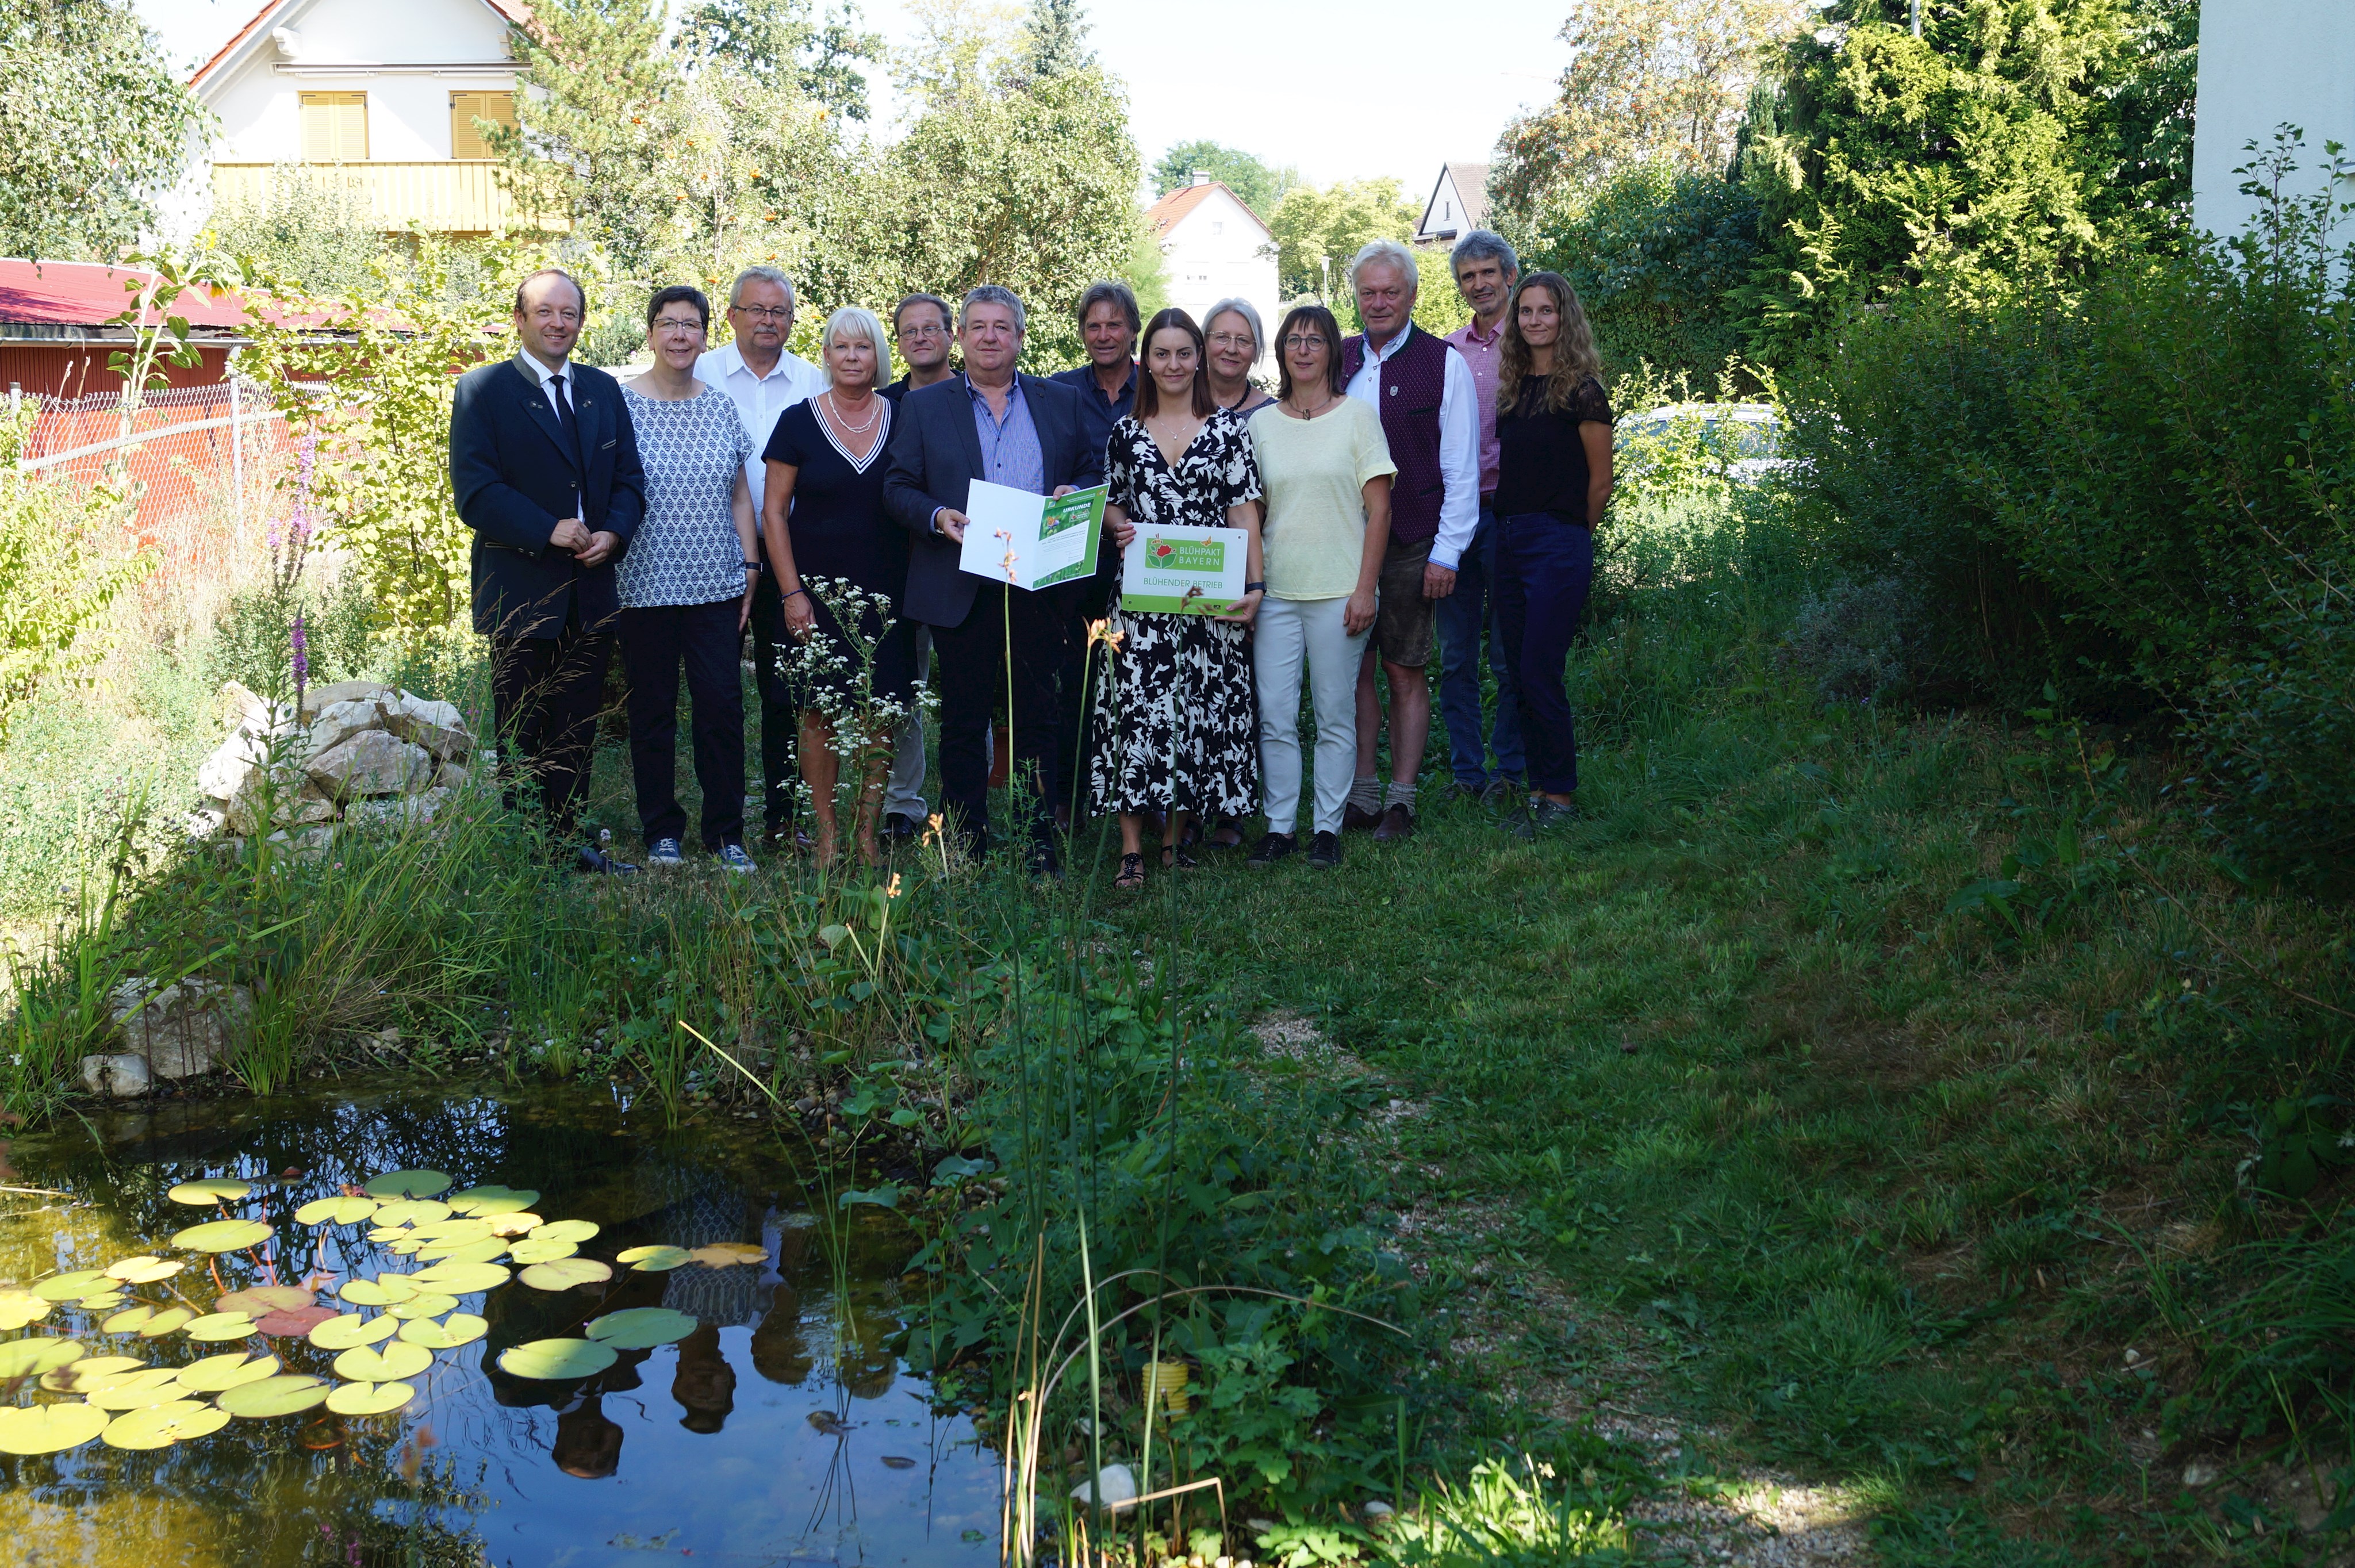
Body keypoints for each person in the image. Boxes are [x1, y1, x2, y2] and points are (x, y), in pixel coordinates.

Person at [881, 285, 1104, 873]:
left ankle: (1038, 840)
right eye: (977, 326)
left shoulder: (1060, 401)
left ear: (1020, 338)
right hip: (963, 581)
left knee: (1038, 714)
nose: (988, 337)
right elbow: (897, 487)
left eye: (1001, 327)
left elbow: (1089, 468)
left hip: (1038, 581)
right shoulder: (926, 407)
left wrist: (1074, 492)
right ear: (960, 337)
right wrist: (937, 516)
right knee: (962, 719)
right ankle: (967, 842)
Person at [449, 267, 645, 875]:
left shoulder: (601, 390)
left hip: (590, 588)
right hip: (521, 588)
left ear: (582, 322)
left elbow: (630, 481)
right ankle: (525, 851)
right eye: (545, 312)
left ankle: (566, 846)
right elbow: (476, 493)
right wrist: (547, 528)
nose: (559, 323)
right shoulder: (483, 391)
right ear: (520, 319)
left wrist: (613, 532)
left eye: (570, 314)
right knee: (522, 728)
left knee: (576, 728)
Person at [1089, 308, 1265, 890]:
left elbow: (1244, 511)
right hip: (1140, 602)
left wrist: (1255, 587)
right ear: (1147, 361)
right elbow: (1111, 500)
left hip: (1206, 601)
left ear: (1199, 358)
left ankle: (1176, 838)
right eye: (1161, 354)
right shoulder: (1125, 432)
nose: (1173, 364)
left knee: (1194, 711)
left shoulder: (1227, 430)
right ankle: (1132, 846)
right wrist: (1120, 525)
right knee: (1134, 715)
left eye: (1183, 353)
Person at [760, 306, 915, 868]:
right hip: (815, 595)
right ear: (825, 355)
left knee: (881, 714)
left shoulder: (903, 418)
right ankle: (826, 837)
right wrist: (791, 593)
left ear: (879, 356)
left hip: (886, 595)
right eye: (841, 347)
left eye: (864, 347)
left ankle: (866, 835)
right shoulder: (797, 421)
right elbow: (774, 514)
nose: (853, 357)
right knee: (816, 714)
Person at [1338, 239, 1480, 843]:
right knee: (1355, 670)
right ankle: (1361, 792)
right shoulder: (1337, 357)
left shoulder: (1442, 362)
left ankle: (1401, 799)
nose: (1378, 302)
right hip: (1341, 543)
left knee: (1403, 669)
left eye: (1389, 292)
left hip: (1413, 542)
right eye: (1367, 292)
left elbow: (1462, 468)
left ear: (1414, 295)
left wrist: (1447, 552)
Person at [616, 285, 761, 872]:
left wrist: (751, 569)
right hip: (642, 584)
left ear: (706, 335)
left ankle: (726, 833)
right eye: (669, 324)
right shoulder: (619, 405)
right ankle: (661, 832)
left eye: (691, 325)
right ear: (650, 334)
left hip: (715, 586)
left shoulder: (720, 404)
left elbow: (740, 496)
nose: (680, 335)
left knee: (721, 709)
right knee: (651, 712)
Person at [1245, 304, 1393, 872]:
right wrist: (1254, 587)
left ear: (1333, 351)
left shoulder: (1357, 417)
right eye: (1293, 340)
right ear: (1281, 352)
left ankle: (1326, 827)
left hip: (1340, 592)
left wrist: (1365, 589)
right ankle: (1280, 826)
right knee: (1277, 714)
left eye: (1315, 340)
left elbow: (1379, 511)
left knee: (1334, 714)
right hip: (1278, 593)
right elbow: (1251, 515)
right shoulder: (1260, 425)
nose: (1303, 349)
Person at [697, 266, 826, 852]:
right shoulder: (700, 373)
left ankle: (783, 817)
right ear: (731, 316)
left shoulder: (812, 381)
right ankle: (719, 822)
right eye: (757, 310)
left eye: (780, 312)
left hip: (785, 555)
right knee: (716, 693)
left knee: (786, 694)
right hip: (705, 550)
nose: (769, 321)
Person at [1492, 271, 1614, 836]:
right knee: (1516, 672)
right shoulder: (1514, 389)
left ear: (1564, 318)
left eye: (1546, 311)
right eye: (1525, 312)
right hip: (1508, 540)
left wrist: (1569, 536)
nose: (1535, 321)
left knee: (1541, 670)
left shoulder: (1582, 390)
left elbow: (1600, 482)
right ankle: (1538, 791)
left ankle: (1560, 799)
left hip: (1557, 543)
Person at [1049, 281, 1142, 829]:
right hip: (1080, 558)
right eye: (1094, 325)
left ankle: (1142, 795)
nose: (1104, 335)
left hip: (1148, 555)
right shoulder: (1059, 392)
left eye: (1114, 324)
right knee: (1076, 678)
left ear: (1133, 328)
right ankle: (1069, 797)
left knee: (1137, 676)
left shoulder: (1160, 384)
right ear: (1082, 332)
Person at [1439, 231, 1527, 803]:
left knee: (1509, 652)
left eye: (1488, 273)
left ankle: (1510, 770)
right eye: (1469, 276)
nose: (1479, 284)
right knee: (1455, 655)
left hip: (1513, 514)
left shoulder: (1532, 343)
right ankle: (1467, 773)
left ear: (1509, 276)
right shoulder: (1446, 352)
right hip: (1456, 520)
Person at [876, 292, 957, 842]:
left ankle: (969, 793)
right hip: (899, 568)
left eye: (933, 328)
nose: (922, 338)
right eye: (911, 331)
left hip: (966, 569)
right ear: (899, 341)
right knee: (904, 686)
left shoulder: (978, 396)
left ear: (951, 335)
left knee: (967, 688)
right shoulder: (883, 404)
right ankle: (904, 803)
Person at [1204, 298, 1275, 416]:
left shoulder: (1270, 415)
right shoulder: (1178, 402)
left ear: (1256, 352)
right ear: (1204, 343)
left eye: (1243, 341)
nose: (1232, 349)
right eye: (1222, 337)